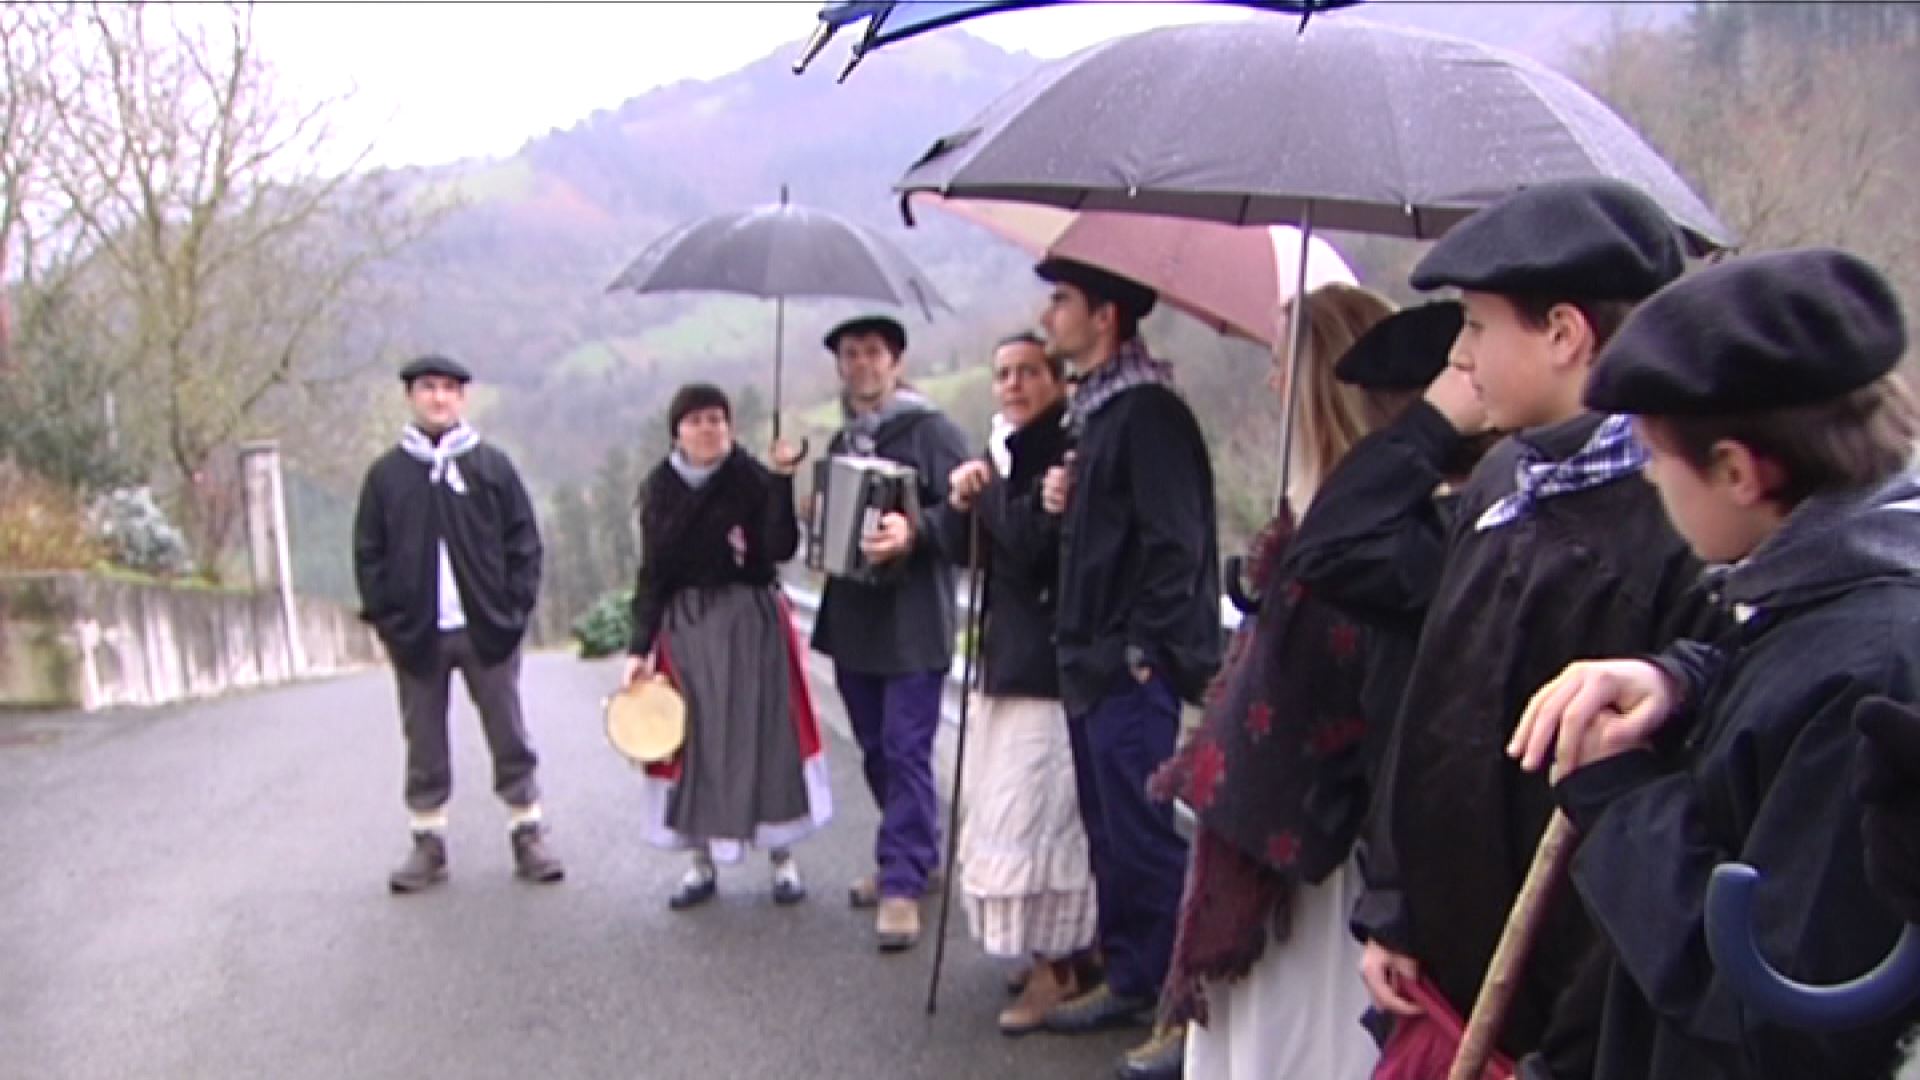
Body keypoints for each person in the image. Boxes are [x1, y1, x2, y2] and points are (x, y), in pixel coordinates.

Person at [1508, 247, 1920, 1079]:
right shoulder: (1816, 597)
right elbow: (1774, 673)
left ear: (1736, 470)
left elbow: (1781, 1007)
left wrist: (1620, 801)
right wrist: (1682, 679)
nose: (1654, 483)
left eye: (1657, 459)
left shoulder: (1874, 683)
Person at [1350, 179, 1718, 1077]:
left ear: (1563, 334)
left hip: (1565, 1012)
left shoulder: (1677, 522)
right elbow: (1429, 702)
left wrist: (1579, 1041)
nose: (1461, 357)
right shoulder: (1501, 482)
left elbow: (1670, 807)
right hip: (1447, 978)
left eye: (1477, 326)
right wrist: (1394, 904)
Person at [1143, 283, 1410, 1080]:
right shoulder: (1319, 516)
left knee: (1302, 1040)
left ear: (1324, 372)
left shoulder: (1373, 528)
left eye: (1280, 360)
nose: (1269, 381)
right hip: (1273, 825)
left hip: (1320, 838)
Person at [1032, 257, 1221, 1062]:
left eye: (1061, 301)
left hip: (1126, 667)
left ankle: (1186, 1015)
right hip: (1090, 662)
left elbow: (1176, 543)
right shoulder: (1100, 413)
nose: (1048, 316)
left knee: (1147, 837)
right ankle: (1135, 977)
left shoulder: (1147, 413)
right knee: (1111, 835)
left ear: (1106, 316)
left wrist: (1143, 651)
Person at [929, 331, 1097, 1035]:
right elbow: (962, 549)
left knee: (1034, 815)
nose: (1013, 385)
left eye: (1029, 372)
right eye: (1002, 373)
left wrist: (991, 493)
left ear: (1056, 381)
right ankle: (1052, 956)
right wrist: (964, 501)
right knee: (1011, 810)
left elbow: (1031, 553)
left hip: (1046, 670)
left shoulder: (1065, 451)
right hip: (1009, 662)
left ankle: (1059, 967)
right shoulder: (1013, 452)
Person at [353, 354, 563, 893]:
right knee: (423, 737)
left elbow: (525, 543)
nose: (439, 398)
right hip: (418, 633)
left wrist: (513, 611)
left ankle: (527, 832)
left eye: (449, 389)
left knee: (508, 731)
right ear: (411, 397)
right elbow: (368, 554)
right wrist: (390, 621)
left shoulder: (491, 467)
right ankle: (428, 844)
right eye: (428, 389)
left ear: (462, 398)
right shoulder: (387, 476)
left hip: (486, 628)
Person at [622, 383, 830, 910]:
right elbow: (652, 575)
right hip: (687, 628)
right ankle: (701, 861)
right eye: (695, 421)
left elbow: (780, 547)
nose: (708, 429)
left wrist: (782, 480)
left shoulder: (752, 479)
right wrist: (637, 647)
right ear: (677, 431)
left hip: (751, 623)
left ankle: (782, 858)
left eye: (717, 419)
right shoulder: (660, 489)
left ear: (730, 426)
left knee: (765, 735)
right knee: (696, 743)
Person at [809, 315, 971, 952]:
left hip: (913, 621)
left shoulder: (932, 431)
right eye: (850, 355)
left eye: (873, 353)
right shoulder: (843, 439)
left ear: (896, 362)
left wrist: (916, 530)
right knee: (875, 749)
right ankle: (916, 852)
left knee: (906, 749)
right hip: (854, 619)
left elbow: (966, 517)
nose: (861, 365)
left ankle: (901, 881)